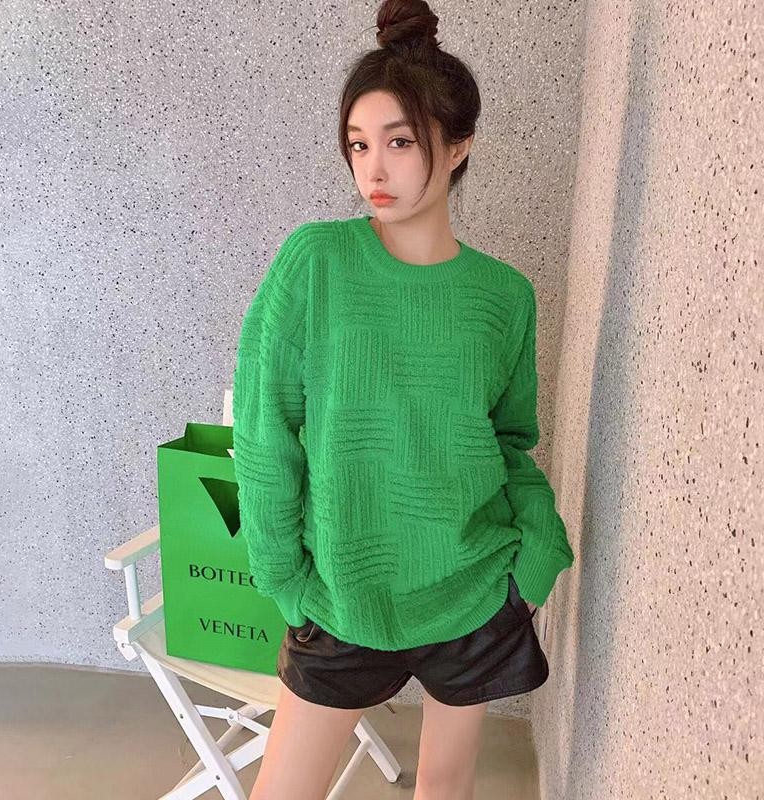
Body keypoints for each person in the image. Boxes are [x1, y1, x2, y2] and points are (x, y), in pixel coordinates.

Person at [232, 1, 575, 797]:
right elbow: (264, 430)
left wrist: (537, 558)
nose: (373, 171)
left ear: (458, 146)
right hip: (342, 598)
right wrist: (286, 581)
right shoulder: (316, 262)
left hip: (474, 590)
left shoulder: (504, 296)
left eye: (400, 141)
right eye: (359, 144)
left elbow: (510, 441)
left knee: (443, 791)